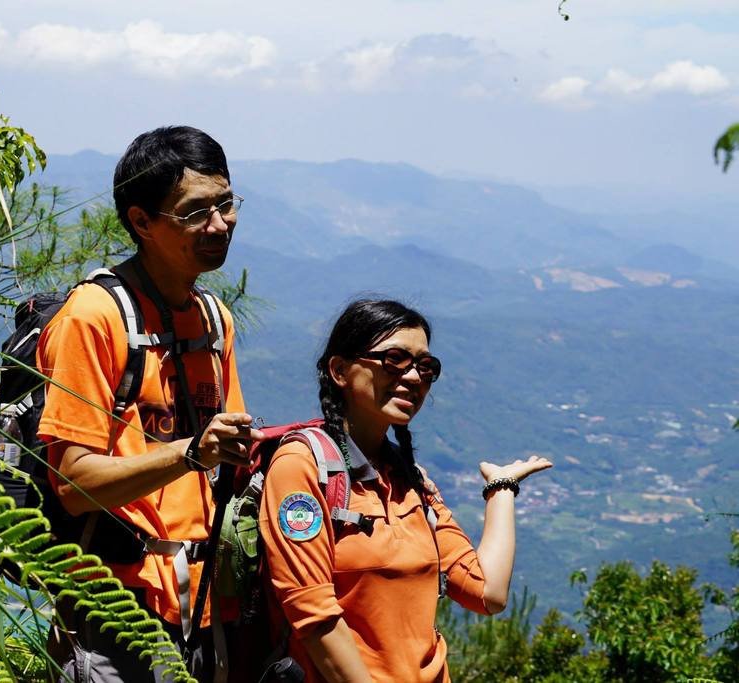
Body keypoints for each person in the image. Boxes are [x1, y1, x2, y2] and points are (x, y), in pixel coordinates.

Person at [36, 126, 262, 680]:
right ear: (141, 222)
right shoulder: (94, 317)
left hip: (206, 605)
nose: (219, 225)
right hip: (114, 608)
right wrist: (190, 453)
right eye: (194, 212)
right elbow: (72, 483)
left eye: (226, 204)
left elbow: (227, 462)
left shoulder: (213, 320)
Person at [258, 299, 552, 683]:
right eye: (394, 359)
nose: (414, 377)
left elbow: (487, 592)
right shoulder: (302, 468)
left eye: (426, 367)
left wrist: (501, 488)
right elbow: (314, 618)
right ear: (340, 371)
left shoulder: (409, 479)